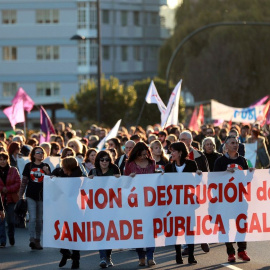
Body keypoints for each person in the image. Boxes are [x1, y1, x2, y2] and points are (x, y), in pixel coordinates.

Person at [213, 135, 253, 262]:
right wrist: (225, 172)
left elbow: (246, 181)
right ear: (226, 145)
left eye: (237, 143)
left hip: (240, 199)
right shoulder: (220, 162)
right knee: (225, 226)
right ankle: (230, 252)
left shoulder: (243, 161)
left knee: (241, 225)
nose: (235, 145)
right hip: (224, 200)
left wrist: (251, 174)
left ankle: (242, 250)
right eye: (232, 143)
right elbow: (213, 181)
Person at [164, 142, 201, 265]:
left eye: (173, 151)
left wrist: (199, 176)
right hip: (174, 203)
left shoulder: (191, 164)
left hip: (188, 202)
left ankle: (191, 255)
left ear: (180, 152)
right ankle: (178, 254)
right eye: (170, 151)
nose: (171, 153)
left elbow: (196, 183)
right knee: (175, 230)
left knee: (189, 229)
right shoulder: (169, 167)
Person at [124, 142, 156, 267]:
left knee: (150, 229)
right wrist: (129, 178)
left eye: (146, 154)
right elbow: (125, 184)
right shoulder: (129, 164)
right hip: (135, 202)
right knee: (138, 230)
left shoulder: (152, 163)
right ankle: (141, 256)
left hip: (150, 202)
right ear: (136, 154)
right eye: (141, 155)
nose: (144, 157)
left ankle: (150, 255)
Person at [88, 150, 120, 268]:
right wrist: (88, 180)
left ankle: (108, 256)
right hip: (98, 208)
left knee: (109, 232)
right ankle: (102, 257)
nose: (104, 162)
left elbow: (120, 186)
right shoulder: (93, 171)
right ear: (98, 161)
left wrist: (119, 178)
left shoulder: (114, 169)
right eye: (102, 160)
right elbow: (87, 189)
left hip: (112, 206)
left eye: (107, 159)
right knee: (100, 232)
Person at [19, 146, 51, 250]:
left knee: (39, 219)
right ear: (33, 155)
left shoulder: (46, 166)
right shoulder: (28, 166)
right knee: (32, 218)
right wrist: (20, 195)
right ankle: (31, 239)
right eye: (38, 152)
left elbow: (52, 181)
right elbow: (24, 181)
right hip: (31, 195)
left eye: (42, 152)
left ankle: (38, 240)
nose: (40, 154)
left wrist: (47, 172)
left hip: (42, 196)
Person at [58, 157, 82, 269]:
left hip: (74, 209)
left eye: (63, 167)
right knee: (62, 232)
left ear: (68, 167)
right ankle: (65, 253)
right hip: (64, 208)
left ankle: (75, 259)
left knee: (73, 234)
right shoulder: (64, 175)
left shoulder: (78, 178)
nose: (62, 168)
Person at [0, 152, 21, 247]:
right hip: (0, 198)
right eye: (0, 159)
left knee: (11, 220)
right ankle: (2, 240)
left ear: (7, 160)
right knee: (1, 220)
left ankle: (11, 236)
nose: (2, 161)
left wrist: (8, 189)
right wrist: (2, 189)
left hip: (11, 198)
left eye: (4, 159)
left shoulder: (13, 170)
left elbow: (18, 183)